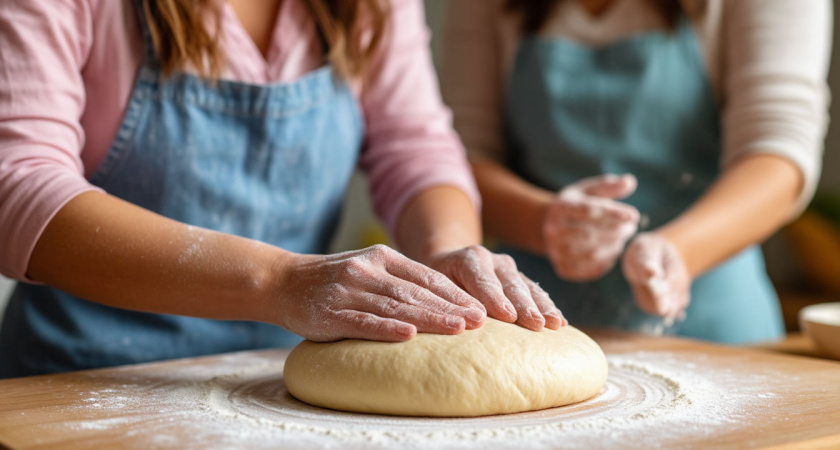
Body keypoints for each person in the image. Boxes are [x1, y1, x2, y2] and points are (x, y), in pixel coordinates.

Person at [0, 0, 566, 378]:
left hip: (279, 385)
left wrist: (445, 251)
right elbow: (18, 186)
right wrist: (279, 282)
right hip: (84, 381)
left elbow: (415, 148)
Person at [443, 0, 831, 343]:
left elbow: (778, 154)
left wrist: (680, 251)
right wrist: (543, 221)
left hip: (712, 312)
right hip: (530, 317)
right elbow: (456, 157)